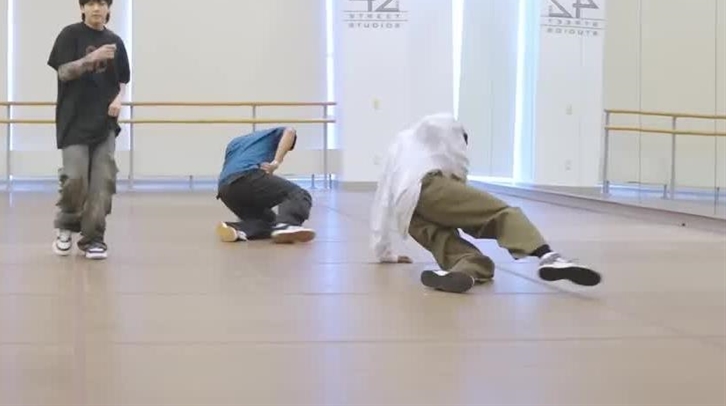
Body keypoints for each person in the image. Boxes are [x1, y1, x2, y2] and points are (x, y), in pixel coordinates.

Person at [371, 113, 602, 294]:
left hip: (407, 213)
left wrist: (385, 253)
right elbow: (458, 159)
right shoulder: (445, 125)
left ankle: (465, 270)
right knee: (501, 213)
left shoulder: (396, 149)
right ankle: (549, 257)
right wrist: (461, 187)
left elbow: (381, 201)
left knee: (452, 247)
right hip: (429, 187)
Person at [47, 0, 130, 260]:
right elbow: (63, 72)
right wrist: (91, 58)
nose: (96, 8)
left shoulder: (116, 41)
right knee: (75, 179)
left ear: (109, 8)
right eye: (91, 3)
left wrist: (119, 99)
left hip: (104, 124)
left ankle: (94, 238)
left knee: (103, 183)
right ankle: (66, 226)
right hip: (73, 121)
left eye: (102, 3)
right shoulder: (69, 35)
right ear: (82, 7)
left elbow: (123, 79)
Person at [215, 126, 316, 243]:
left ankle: (237, 229)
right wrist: (276, 162)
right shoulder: (275, 134)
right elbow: (290, 131)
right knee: (298, 194)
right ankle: (288, 224)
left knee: (268, 222)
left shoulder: (235, 143)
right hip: (246, 176)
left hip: (225, 190)